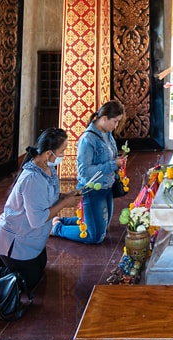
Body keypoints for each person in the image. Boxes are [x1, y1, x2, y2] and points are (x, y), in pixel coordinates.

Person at [0, 128, 80, 291]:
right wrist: (65, 204)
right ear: (49, 154)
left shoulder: (47, 168)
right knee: (27, 282)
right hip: (17, 237)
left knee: (41, 266)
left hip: (30, 237)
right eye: (62, 151)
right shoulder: (32, 178)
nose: (63, 155)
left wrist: (65, 196)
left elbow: (48, 195)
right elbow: (37, 220)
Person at [51, 100, 125, 244]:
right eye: (115, 121)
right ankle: (57, 228)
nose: (116, 125)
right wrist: (112, 164)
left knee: (104, 227)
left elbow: (110, 156)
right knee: (96, 236)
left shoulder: (107, 133)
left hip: (106, 187)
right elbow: (84, 172)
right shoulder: (87, 139)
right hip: (92, 189)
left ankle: (62, 220)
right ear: (104, 118)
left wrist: (118, 161)